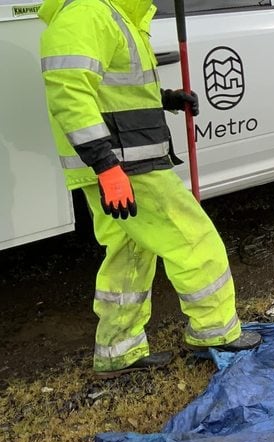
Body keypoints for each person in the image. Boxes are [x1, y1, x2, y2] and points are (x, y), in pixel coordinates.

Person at [38, 0, 261, 379]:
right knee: (194, 239)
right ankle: (215, 332)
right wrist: (107, 166)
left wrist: (167, 100)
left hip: (121, 163)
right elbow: (68, 91)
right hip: (125, 165)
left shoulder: (114, 15)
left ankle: (117, 350)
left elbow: (112, 92)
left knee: (129, 253)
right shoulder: (88, 13)